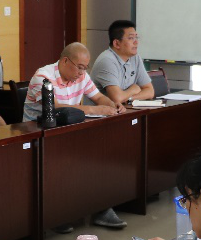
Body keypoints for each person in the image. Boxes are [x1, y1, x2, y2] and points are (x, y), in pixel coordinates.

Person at [23, 42, 127, 230]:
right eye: (79, 67)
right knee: (67, 161)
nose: (82, 72)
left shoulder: (82, 76)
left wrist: (112, 105)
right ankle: (58, 215)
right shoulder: (43, 77)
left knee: (101, 155)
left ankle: (101, 209)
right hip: (40, 135)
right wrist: (94, 109)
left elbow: (98, 98)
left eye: (85, 68)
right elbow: (54, 106)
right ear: (65, 61)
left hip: (69, 133)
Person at [91, 20, 155, 105]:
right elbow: (117, 98)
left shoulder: (135, 58)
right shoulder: (106, 61)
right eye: (131, 38)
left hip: (123, 109)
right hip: (100, 112)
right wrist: (133, 89)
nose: (136, 42)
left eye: (136, 37)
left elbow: (150, 91)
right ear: (117, 43)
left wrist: (129, 98)